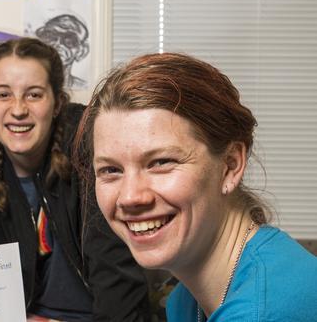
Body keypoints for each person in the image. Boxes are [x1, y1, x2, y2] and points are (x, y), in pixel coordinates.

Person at [74, 52, 317, 321]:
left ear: (231, 165)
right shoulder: (186, 299)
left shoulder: (264, 311)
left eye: (161, 162)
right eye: (111, 170)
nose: (130, 196)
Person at [0, 38, 150, 321]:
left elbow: (119, 283)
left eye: (34, 95)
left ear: (57, 103)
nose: (18, 109)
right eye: (3, 95)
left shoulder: (95, 154)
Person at [35, 14, 90, 89]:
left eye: (69, 41)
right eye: (50, 37)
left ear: (81, 51)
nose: (57, 44)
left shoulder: (83, 86)